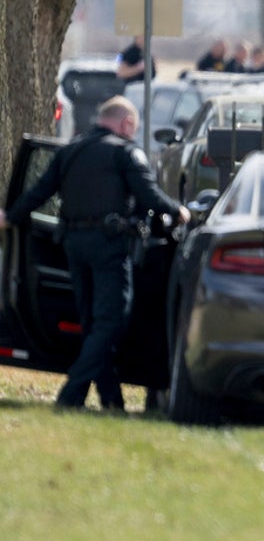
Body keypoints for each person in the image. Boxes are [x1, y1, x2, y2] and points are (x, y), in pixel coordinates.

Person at [0, 97, 189, 411]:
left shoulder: (70, 150)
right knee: (112, 321)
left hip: (72, 242)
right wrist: (178, 211)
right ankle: (71, 395)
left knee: (92, 322)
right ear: (127, 124)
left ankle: (111, 400)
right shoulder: (126, 152)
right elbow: (149, 196)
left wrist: (11, 216)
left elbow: (40, 190)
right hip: (109, 246)